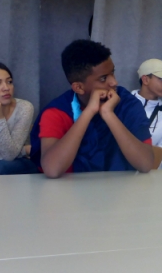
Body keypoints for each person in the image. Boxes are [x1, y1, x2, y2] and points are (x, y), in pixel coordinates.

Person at [30, 40, 153, 177]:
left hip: (119, 187)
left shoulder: (127, 103)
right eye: (103, 78)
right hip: (70, 189)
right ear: (79, 87)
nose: (114, 82)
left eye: (112, 72)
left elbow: (145, 163)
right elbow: (52, 170)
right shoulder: (57, 112)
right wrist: (89, 112)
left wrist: (108, 114)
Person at [132, 59, 162, 169]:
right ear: (145, 79)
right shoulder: (120, 104)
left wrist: (148, 172)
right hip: (112, 174)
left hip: (148, 175)